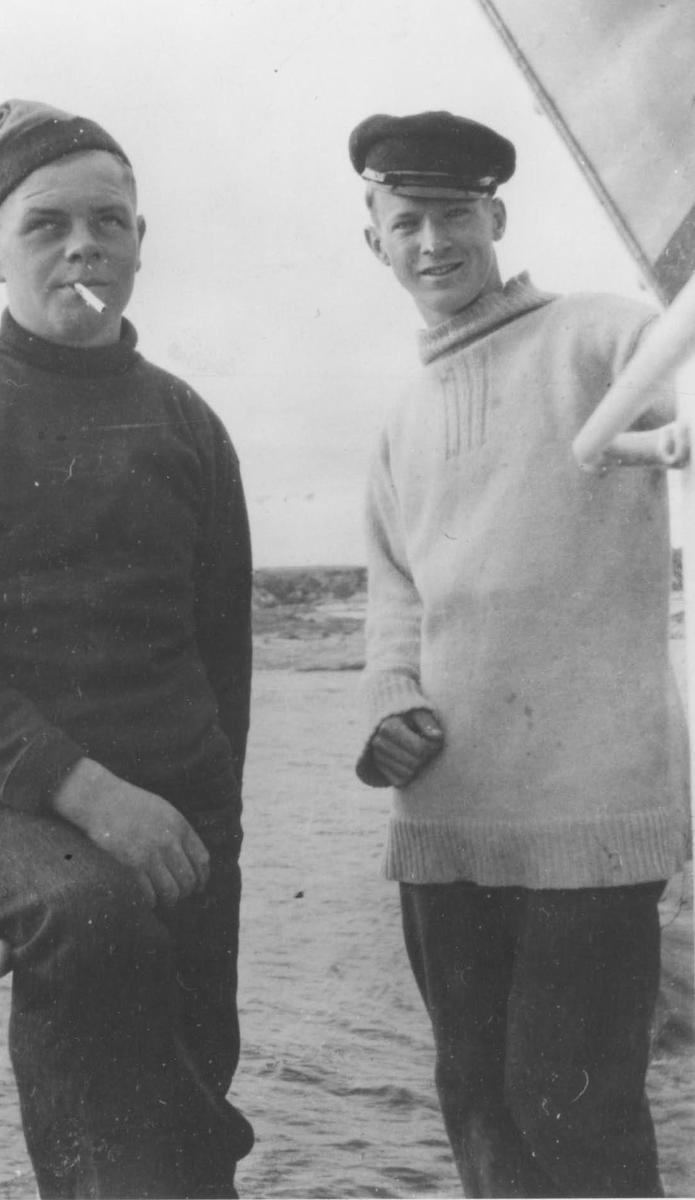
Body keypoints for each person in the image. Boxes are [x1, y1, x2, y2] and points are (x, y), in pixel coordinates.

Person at [0, 99, 254, 1200]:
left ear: (139, 241)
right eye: (47, 224)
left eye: (108, 221)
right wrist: (90, 793)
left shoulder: (187, 425)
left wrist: (212, 819)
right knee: (90, 916)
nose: (84, 246)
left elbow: (223, 659)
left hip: (179, 806)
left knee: (192, 1077)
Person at [349, 109, 690, 1198]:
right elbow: (395, 597)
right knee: (476, 1097)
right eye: (407, 222)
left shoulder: (603, 335)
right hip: (448, 809)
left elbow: (679, 389)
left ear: (494, 219)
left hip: (590, 810)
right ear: (374, 238)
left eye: (455, 215)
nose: (432, 243)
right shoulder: (397, 420)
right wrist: (388, 704)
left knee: (570, 1099)